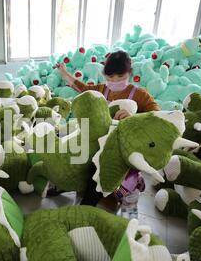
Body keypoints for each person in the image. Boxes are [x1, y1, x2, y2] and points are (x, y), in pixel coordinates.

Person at [55, 51, 160, 218]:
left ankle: (87, 211)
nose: (115, 83)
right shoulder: (102, 90)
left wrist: (134, 118)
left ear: (130, 74)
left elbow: (157, 117)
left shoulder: (140, 95)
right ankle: (70, 191)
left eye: (120, 78)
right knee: (77, 161)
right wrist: (64, 72)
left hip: (121, 150)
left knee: (100, 175)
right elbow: (83, 89)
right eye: (111, 79)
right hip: (98, 143)